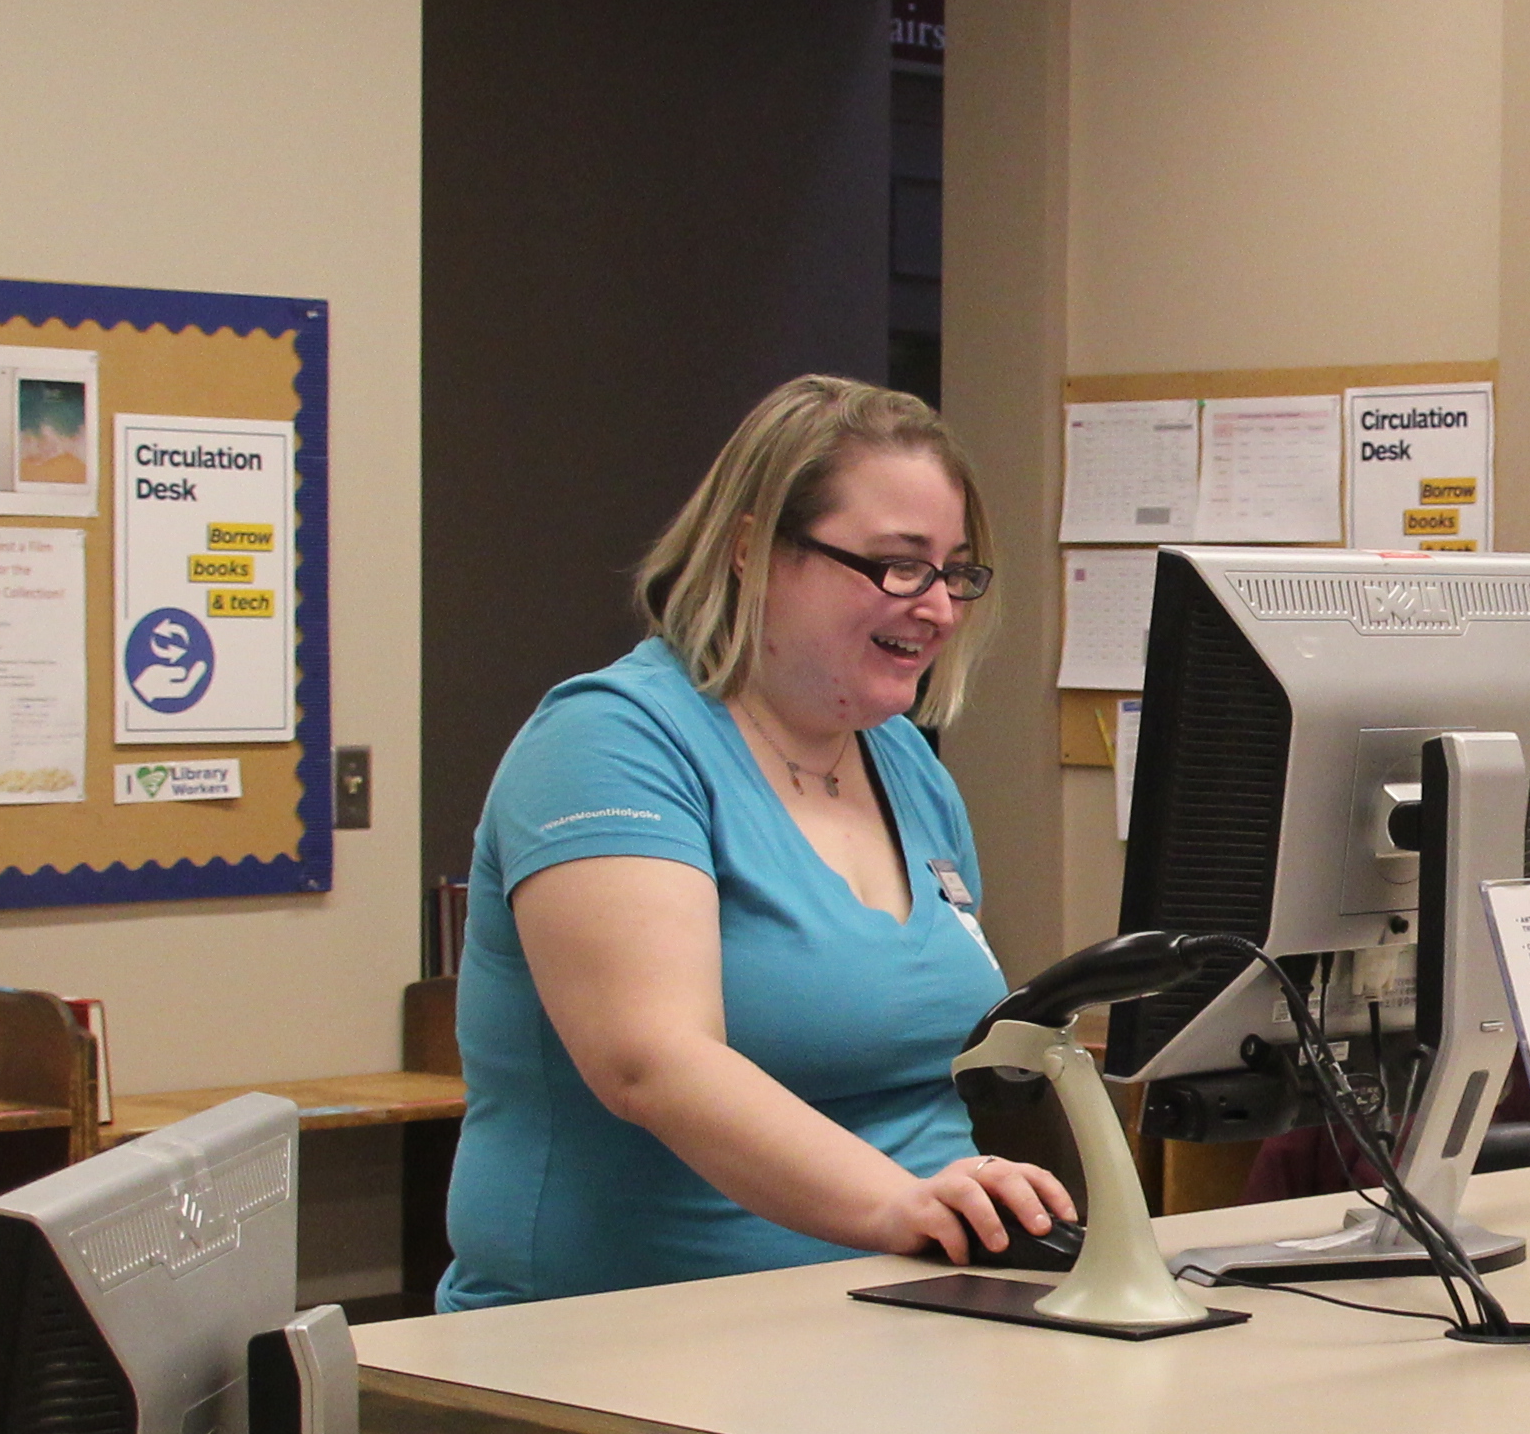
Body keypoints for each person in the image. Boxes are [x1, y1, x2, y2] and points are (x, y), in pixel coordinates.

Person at [438, 375, 1073, 1308]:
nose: (936, 606)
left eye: (955, 572)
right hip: (623, 1342)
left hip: (902, 1319)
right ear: (750, 551)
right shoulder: (609, 742)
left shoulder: (904, 765)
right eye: (899, 565)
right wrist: (903, 1207)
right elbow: (652, 1062)